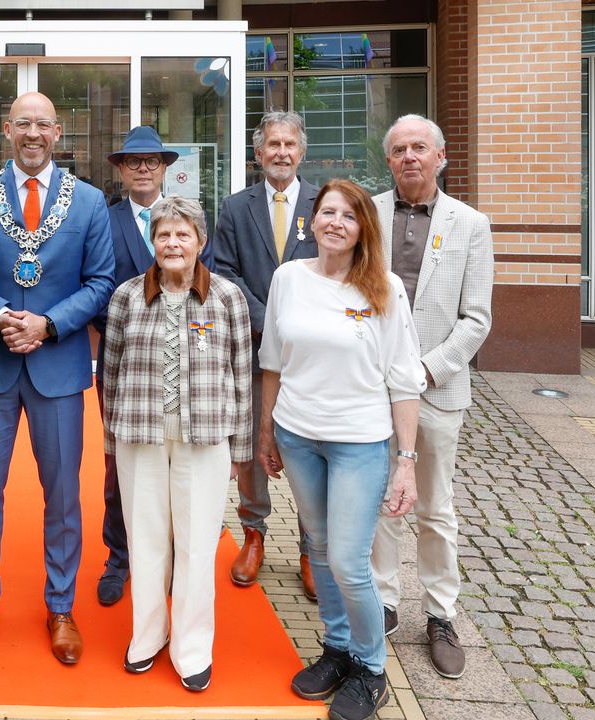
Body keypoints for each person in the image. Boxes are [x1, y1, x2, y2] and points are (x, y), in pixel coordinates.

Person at [0, 91, 115, 665]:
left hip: (58, 368)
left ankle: (61, 606)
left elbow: (100, 282)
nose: (33, 133)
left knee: (63, 496)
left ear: (58, 131)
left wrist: (46, 324)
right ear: (7, 130)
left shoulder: (89, 202)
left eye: (43, 124)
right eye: (24, 124)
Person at [259, 179, 425, 720]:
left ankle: (371, 669)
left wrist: (406, 462)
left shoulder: (384, 287)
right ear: (311, 220)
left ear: (363, 229)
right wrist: (266, 432)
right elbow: (273, 363)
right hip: (297, 435)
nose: (335, 222)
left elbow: (404, 381)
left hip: (360, 441)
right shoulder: (288, 278)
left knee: (352, 562)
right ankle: (337, 648)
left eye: (348, 216)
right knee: (323, 550)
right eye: (327, 212)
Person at [102, 196, 252, 692]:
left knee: (195, 546)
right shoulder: (126, 296)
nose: (172, 243)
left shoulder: (227, 297)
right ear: (152, 242)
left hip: (205, 438)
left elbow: (242, 374)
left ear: (200, 243)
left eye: (182, 235)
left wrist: (241, 448)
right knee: (144, 542)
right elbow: (112, 370)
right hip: (139, 437)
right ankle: (147, 636)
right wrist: (109, 439)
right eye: (164, 234)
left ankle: (192, 648)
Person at [370, 114, 494, 680]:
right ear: (389, 159)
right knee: (380, 502)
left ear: (441, 156)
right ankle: (383, 602)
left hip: (437, 391)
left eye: (420, 147)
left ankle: (441, 614)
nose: (410, 157)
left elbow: (476, 320)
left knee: (435, 508)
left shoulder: (471, 225)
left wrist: (425, 370)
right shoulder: (365, 213)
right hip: (370, 390)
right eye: (399, 150)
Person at [94, 125, 216, 607]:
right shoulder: (104, 220)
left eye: (152, 161)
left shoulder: (187, 217)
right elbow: (97, 284)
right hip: (126, 361)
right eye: (133, 161)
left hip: (187, 362)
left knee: (180, 468)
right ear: (121, 170)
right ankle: (120, 556)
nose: (143, 168)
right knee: (119, 466)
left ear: (166, 167)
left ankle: (169, 558)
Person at [213, 110, 318, 599]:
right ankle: (253, 531)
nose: (280, 152)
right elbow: (225, 273)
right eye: (272, 144)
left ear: (301, 151)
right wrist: (269, 319)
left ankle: (311, 546)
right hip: (256, 349)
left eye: (288, 144)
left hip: (313, 357)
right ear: (258, 153)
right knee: (256, 443)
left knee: (306, 450)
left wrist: (297, 326)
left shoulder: (325, 206)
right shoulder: (235, 208)